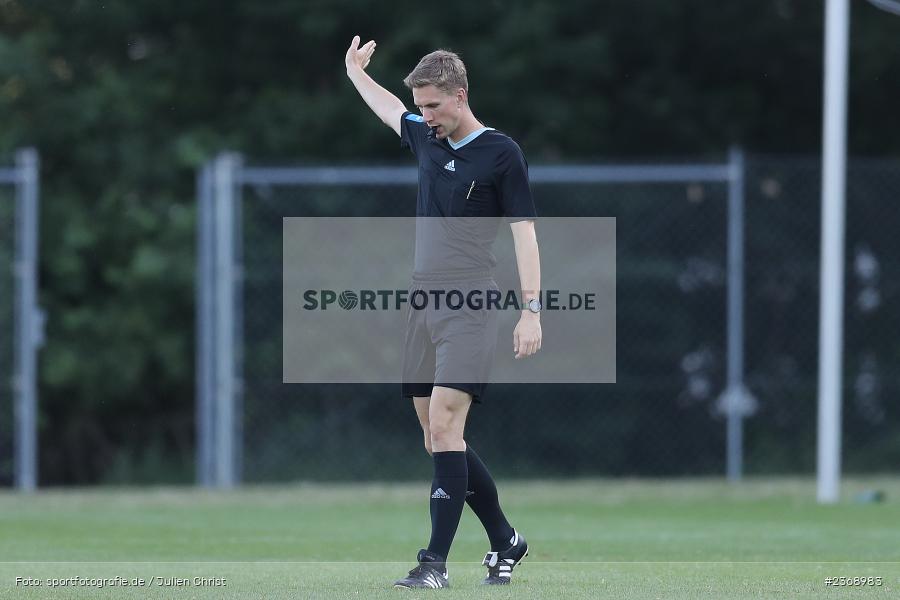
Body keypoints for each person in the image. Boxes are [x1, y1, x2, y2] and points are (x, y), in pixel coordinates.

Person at [344, 35, 541, 589]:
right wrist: (356, 73)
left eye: (433, 105)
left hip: (471, 301)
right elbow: (389, 107)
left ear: (460, 95)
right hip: (422, 301)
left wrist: (532, 311)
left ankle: (434, 564)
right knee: (436, 437)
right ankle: (505, 539)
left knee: (446, 423)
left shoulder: (501, 153)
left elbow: (525, 234)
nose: (424, 115)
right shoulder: (426, 138)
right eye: (421, 106)